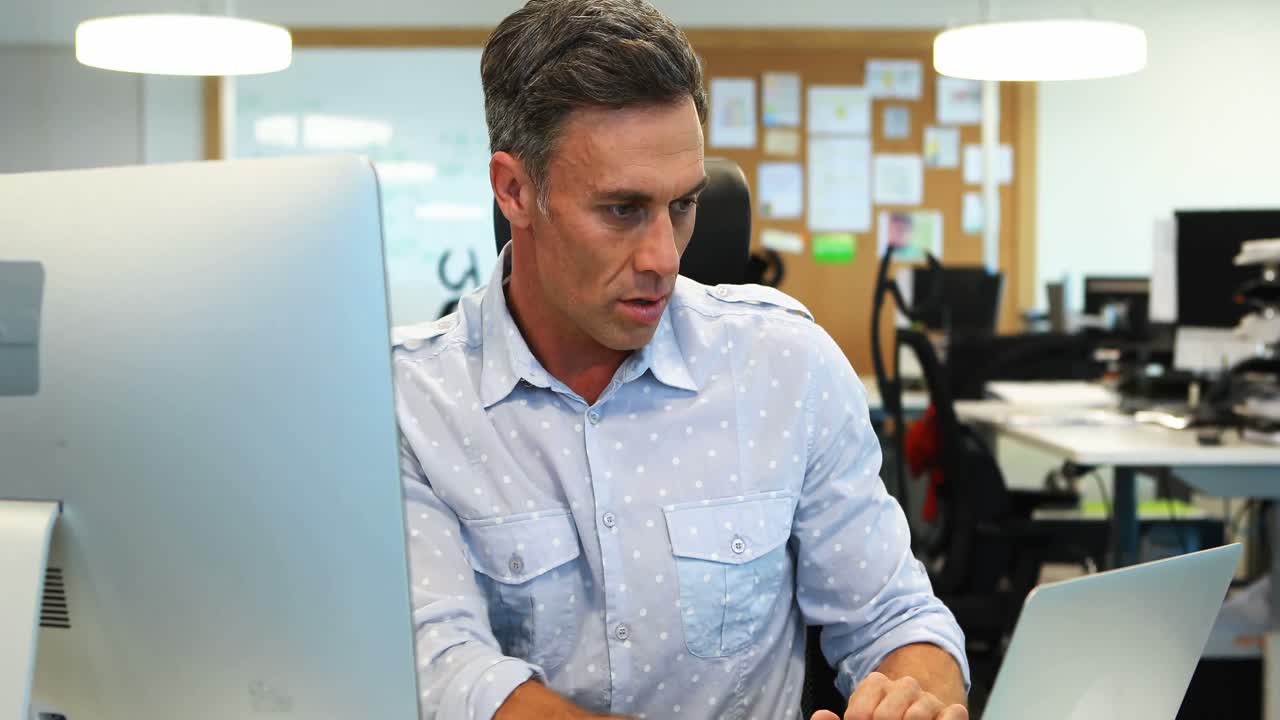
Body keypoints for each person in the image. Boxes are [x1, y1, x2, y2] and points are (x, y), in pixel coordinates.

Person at [392, 1, 969, 718]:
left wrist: (917, 698)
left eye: (684, 206)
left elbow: (894, 617)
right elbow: (448, 677)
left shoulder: (786, 367)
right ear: (515, 190)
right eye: (623, 210)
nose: (665, 258)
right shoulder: (411, 403)